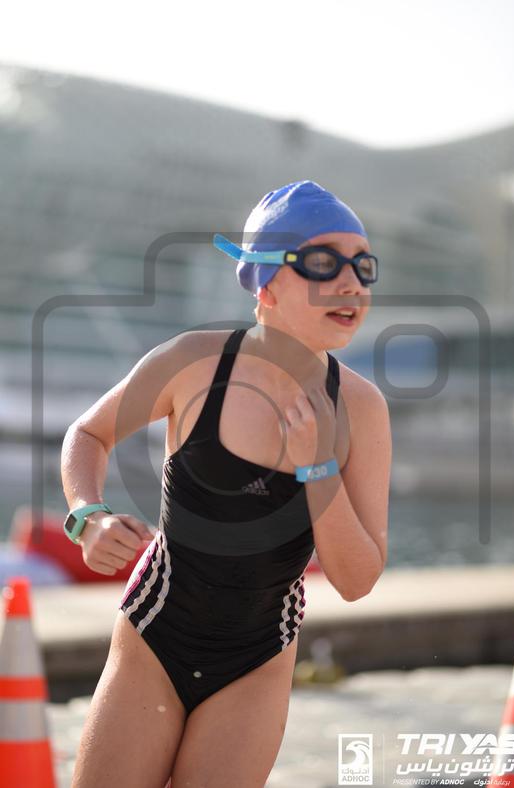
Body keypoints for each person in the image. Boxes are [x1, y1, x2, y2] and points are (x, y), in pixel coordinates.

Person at [61, 180, 392, 788]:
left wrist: (319, 467)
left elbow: (357, 580)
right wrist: (88, 516)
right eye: (324, 263)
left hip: (257, 661)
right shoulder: (193, 365)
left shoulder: (361, 409)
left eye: (363, 266)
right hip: (154, 638)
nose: (351, 283)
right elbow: (89, 433)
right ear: (264, 284)